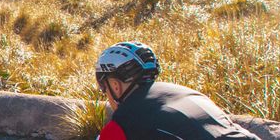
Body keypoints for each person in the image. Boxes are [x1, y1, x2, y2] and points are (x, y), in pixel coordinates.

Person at [95, 42, 259, 140]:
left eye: (103, 87)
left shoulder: (125, 120)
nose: (106, 93)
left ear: (115, 85)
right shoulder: (190, 94)